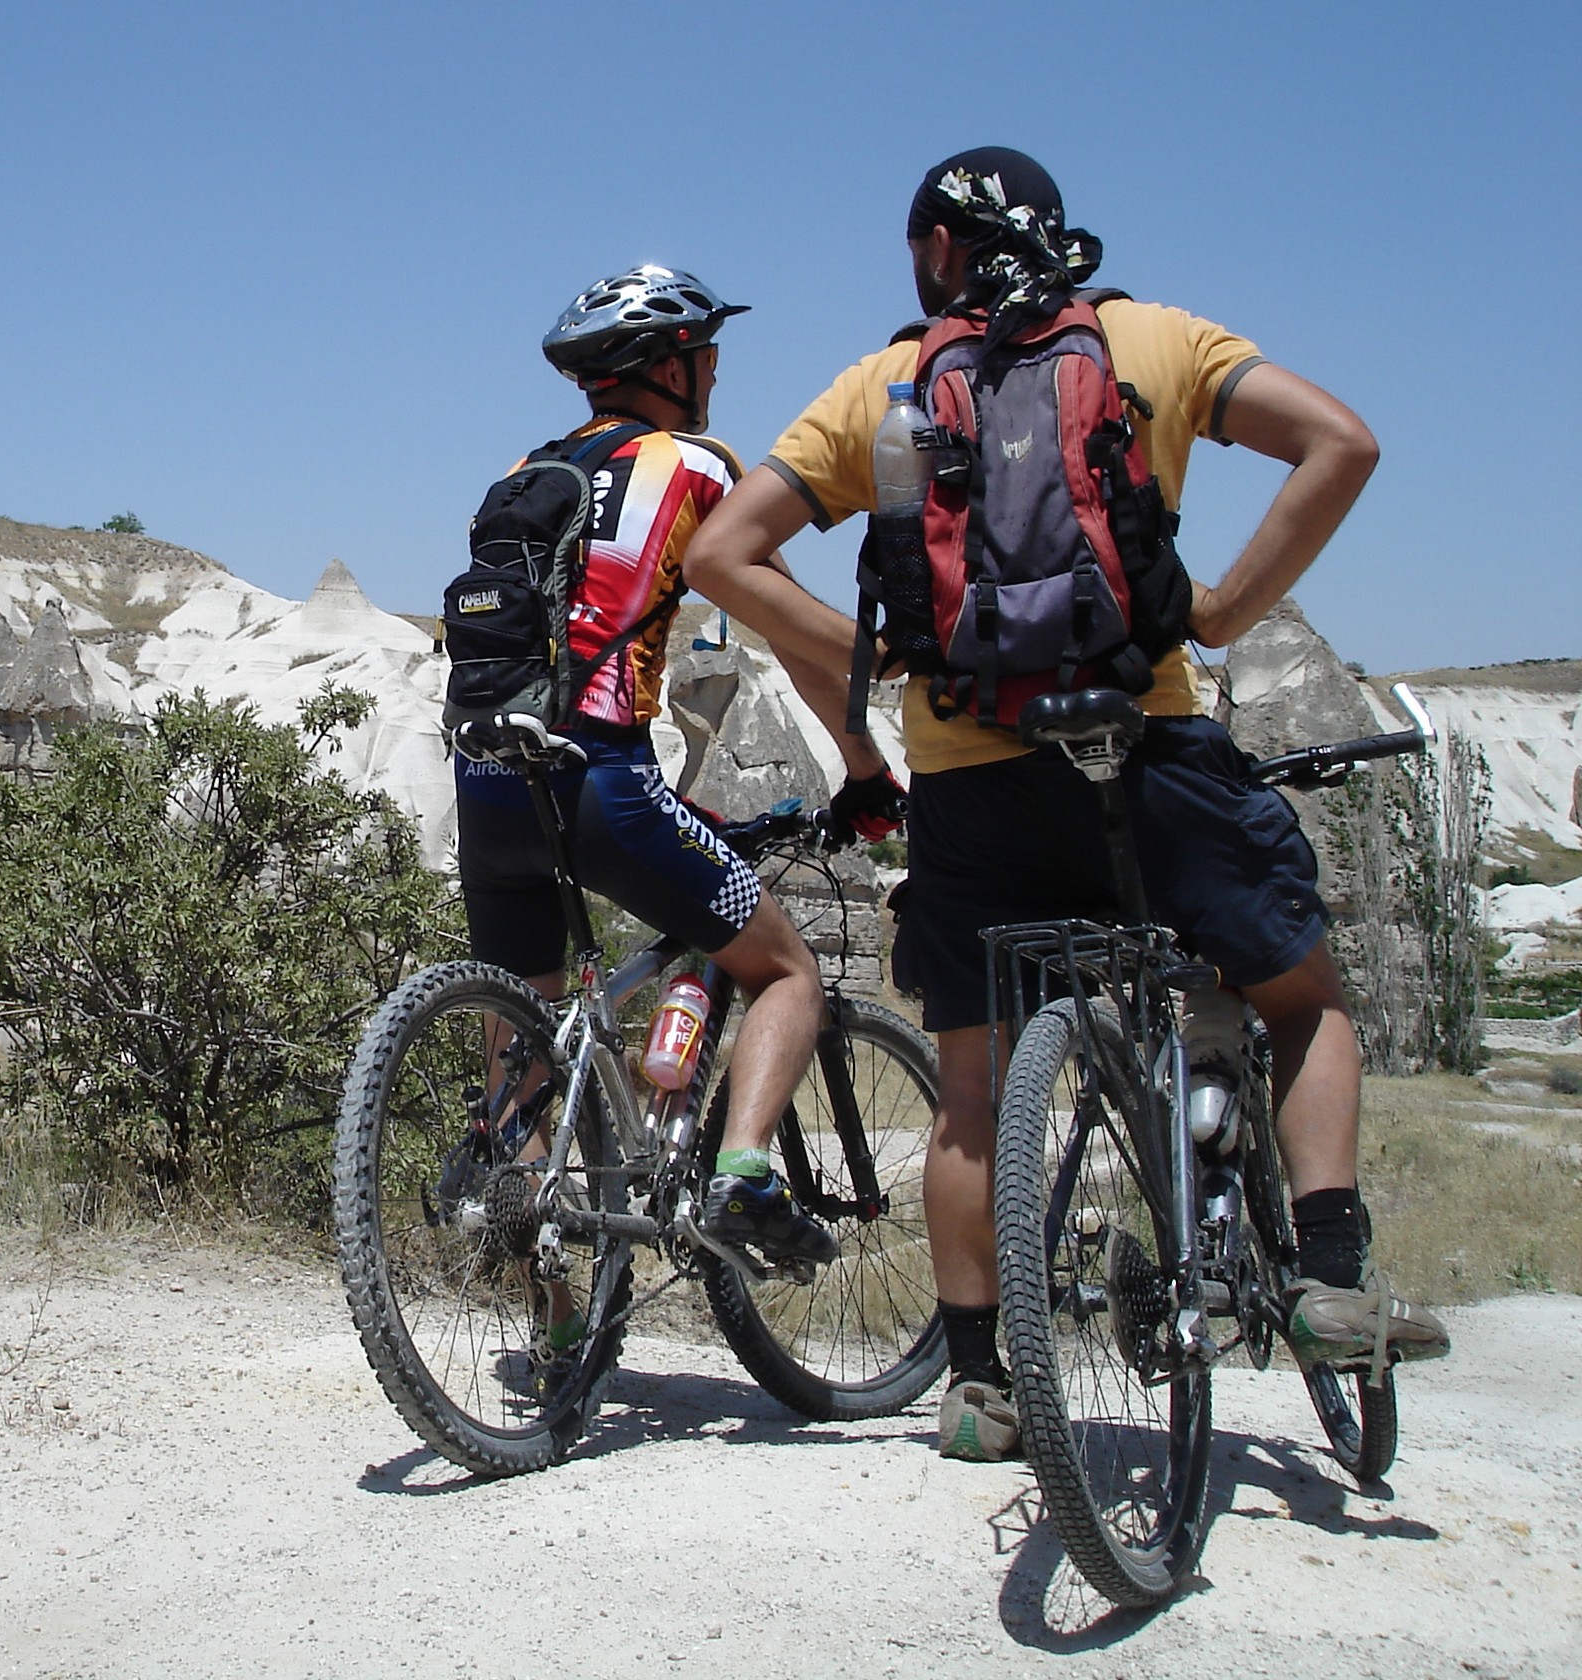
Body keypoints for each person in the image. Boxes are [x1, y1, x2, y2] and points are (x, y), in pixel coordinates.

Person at [682, 148, 1450, 1465]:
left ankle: (977, 1385)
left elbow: (722, 555)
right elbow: (1344, 442)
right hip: (1146, 748)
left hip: (976, 781)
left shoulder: (886, 387)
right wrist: (1216, 614)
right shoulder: (1151, 340)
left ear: (934, 251)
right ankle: (1327, 1272)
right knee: (1302, 997)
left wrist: (887, 665)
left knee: (975, 1095)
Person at [454, 265, 903, 1341]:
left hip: (483, 781)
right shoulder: (699, 466)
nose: (712, 372)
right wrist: (864, 766)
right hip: (599, 774)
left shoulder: (528, 468)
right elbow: (789, 628)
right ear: (666, 365)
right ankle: (744, 1172)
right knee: (785, 969)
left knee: (521, 1037)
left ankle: (557, 1321)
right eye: (704, 353)